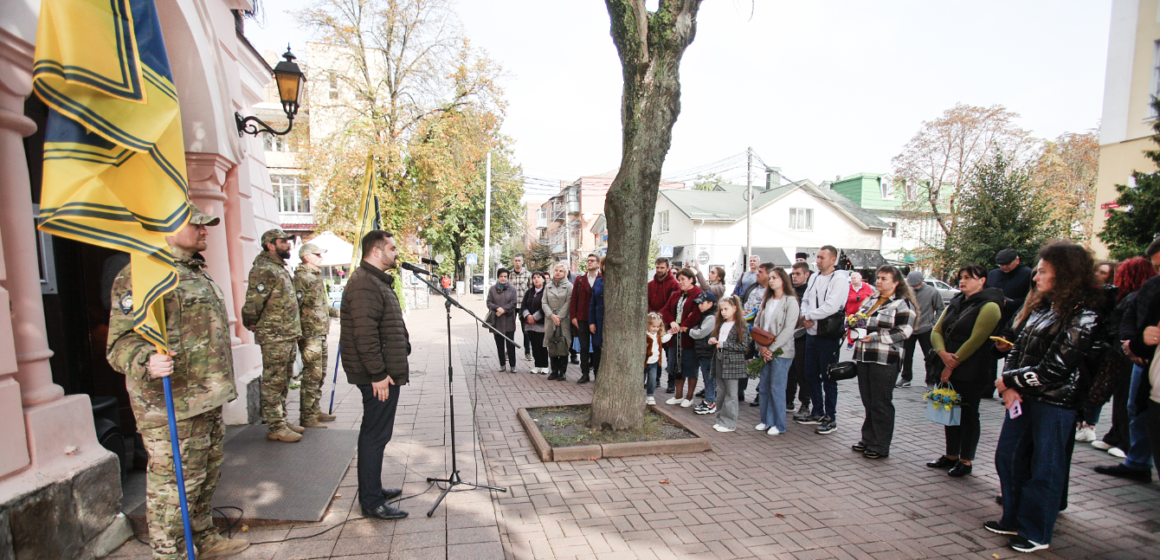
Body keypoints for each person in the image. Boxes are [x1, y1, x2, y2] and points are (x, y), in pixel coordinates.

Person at [107, 206, 249, 560]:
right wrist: (145, 360)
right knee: (172, 485)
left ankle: (201, 537)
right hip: (169, 403)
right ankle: (169, 552)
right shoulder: (142, 275)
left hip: (206, 395)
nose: (204, 231)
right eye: (196, 224)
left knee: (204, 475)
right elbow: (119, 344)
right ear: (166, 228)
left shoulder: (195, 272)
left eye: (205, 225)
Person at [986, 242, 1103, 553]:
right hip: (1022, 398)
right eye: (1036, 271)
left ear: (1064, 275)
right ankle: (1012, 517)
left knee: (1045, 468)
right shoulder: (1043, 308)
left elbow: (1056, 368)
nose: (1035, 277)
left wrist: (1008, 381)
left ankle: (1036, 531)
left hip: (1055, 403)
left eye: (1043, 272)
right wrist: (1008, 384)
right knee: (1007, 458)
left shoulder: (1083, 316)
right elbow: (1017, 348)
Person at [340, 230, 411, 521]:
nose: (397, 253)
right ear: (376, 252)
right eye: (392, 248)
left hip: (383, 373)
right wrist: (378, 374)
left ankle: (374, 488)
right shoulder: (364, 284)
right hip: (377, 377)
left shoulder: (375, 280)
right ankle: (370, 501)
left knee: (378, 435)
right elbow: (364, 336)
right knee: (374, 436)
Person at [926, 265, 1003, 477]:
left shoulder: (990, 306)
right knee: (947, 409)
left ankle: (965, 460)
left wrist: (950, 365)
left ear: (982, 281)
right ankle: (950, 455)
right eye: (961, 277)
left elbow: (976, 340)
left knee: (968, 414)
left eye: (969, 277)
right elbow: (937, 330)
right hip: (947, 361)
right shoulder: (957, 301)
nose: (963, 281)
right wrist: (942, 354)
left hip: (971, 368)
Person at [1093, 239, 1160, 481]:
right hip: (1146, 362)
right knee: (1136, 408)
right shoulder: (1152, 287)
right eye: (1157, 266)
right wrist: (1132, 343)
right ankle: (1137, 462)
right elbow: (1131, 319)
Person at [242, 228, 304, 443]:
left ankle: (282, 419)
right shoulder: (264, 270)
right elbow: (253, 302)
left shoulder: (278, 268)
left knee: (284, 378)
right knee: (273, 381)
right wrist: (252, 323)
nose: (288, 245)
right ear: (270, 245)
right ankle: (275, 425)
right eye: (283, 241)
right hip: (274, 335)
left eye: (288, 241)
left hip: (286, 333)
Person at [849, 266, 917, 459]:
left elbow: (904, 331)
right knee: (868, 400)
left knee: (881, 402)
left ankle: (880, 445)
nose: (879, 281)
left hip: (885, 358)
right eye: (878, 278)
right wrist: (852, 324)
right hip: (864, 355)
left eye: (884, 278)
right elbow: (858, 320)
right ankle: (868, 439)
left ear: (896, 283)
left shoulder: (903, 304)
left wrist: (876, 337)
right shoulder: (871, 299)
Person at [797, 245, 850, 435]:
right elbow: (805, 300)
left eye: (822, 257)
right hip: (812, 333)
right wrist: (805, 316)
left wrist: (810, 316)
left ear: (833, 259)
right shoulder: (814, 277)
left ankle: (831, 416)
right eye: (817, 257)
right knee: (810, 373)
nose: (818, 261)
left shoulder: (839, 279)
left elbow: (832, 306)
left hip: (828, 334)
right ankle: (816, 410)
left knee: (829, 376)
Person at [294, 242, 340, 428]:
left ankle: (314, 409)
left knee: (319, 374)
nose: (321, 257)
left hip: (320, 332)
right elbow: (296, 306)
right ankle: (307, 415)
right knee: (311, 375)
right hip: (309, 333)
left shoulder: (315, 277)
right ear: (306, 257)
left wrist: (339, 312)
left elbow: (321, 306)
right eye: (317, 254)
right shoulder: (301, 278)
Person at [1076, 260, 1119, 442]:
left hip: (1100, 346)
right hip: (1084, 343)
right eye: (1098, 272)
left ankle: (1089, 424)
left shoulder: (1112, 296)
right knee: (1079, 382)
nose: (1099, 276)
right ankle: (1079, 422)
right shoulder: (1085, 292)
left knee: (1095, 386)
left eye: (1104, 273)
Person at [754, 267, 800, 436]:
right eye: (770, 277)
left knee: (777, 387)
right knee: (764, 386)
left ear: (783, 280)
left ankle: (778, 424)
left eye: (774, 277)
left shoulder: (790, 301)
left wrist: (772, 349)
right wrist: (761, 346)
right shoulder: (767, 300)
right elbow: (758, 324)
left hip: (782, 351)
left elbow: (789, 329)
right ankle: (765, 420)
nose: (771, 280)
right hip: (764, 349)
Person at [663, 268, 704, 406]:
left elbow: (696, 314)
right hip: (675, 337)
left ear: (691, 279)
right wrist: (672, 322)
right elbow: (666, 310)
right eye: (678, 280)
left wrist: (683, 326)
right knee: (676, 366)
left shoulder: (698, 294)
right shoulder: (676, 295)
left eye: (683, 280)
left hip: (689, 338)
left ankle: (689, 396)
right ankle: (678, 395)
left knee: (690, 367)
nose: (680, 282)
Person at [709, 296, 749, 432]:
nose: (723, 312)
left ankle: (729, 423)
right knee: (720, 391)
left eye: (726, 309)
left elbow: (743, 345)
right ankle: (720, 419)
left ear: (735, 309)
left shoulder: (740, 326)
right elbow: (718, 339)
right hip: (720, 359)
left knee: (731, 393)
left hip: (732, 363)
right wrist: (713, 340)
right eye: (721, 310)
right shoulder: (721, 324)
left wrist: (724, 344)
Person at [900, 271, 944, 388]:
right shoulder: (906, 292)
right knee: (906, 355)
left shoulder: (933, 292)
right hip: (909, 328)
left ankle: (930, 380)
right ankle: (906, 377)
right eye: (911, 285)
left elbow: (940, 309)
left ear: (922, 281)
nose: (914, 287)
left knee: (929, 356)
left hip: (926, 328)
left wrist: (934, 323)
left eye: (916, 285)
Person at [739, 263, 774, 406]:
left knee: (761, 361)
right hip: (746, 329)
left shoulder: (771, 291)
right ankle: (740, 390)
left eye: (760, 272)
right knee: (744, 359)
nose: (757, 274)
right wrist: (741, 311)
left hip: (761, 331)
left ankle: (761, 393)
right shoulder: (752, 286)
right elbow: (741, 299)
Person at [648, 258, 680, 392]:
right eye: (657, 267)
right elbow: (646, 301)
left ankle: (671, 382)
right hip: (652, 323)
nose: (659, 270)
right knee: (655, 351)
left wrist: (660, 316)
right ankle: (655, 379)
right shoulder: (650, 284)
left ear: (668, 268)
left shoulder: (674, 284)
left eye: (662, 267)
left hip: (667, 323)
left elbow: (672, 304)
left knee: (669, 353)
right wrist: (651, 316)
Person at [570, 254, 602, 384]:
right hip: (582, 318)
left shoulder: (602, 278)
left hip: (597, 318)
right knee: (583, 347)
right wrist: (573, 316)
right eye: (588, 261)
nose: (589, 263)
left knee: (597, 347)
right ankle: (584, 373)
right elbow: (573, 299)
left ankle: (597, 373)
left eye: (592, 261)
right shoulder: (580, 279)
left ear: (598, 264)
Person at [787, 262, 813, 416]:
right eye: (793, 274)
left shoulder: (809, 292)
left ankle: (805, 403)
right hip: (788, 335)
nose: (794, 277)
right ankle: (788, 400)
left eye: (798, 274)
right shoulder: (790, 292)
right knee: (789, 370)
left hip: (803, 335)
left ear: (806, 275)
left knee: (802, 371)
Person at [542, 262, 574, 381]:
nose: (558, 272)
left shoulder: (569, 286)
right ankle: (554, 371)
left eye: (561, 271)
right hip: (550, 320)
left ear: (565, 273)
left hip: (563, 319)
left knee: (563, 344)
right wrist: (551, 316)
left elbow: (569, 302)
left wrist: (559, 317)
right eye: (556, 270)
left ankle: (562, 371)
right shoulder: (548, 286)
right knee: (552, 344)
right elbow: (544, 302)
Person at [690, 291, 718, 414]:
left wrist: (689, 331)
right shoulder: (705, 316)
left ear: (711, 303)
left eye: (702, 303)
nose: (700, 305)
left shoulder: (711, 317)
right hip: (704, 352)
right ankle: (709, 400)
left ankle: (710, 402)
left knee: (709, 378)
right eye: (699, 303)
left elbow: (700, 333)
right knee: (707, 378)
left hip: (708, 352)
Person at [988, 248, 1033, 325]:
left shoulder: (1028, 274)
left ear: (1017, 260)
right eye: (1001, 265)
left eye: (1008, 264)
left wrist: (1007, 303)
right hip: (992, 318)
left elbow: (1031, 300)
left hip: (1016, 319)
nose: (1004, 267)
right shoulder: (993, 274)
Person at [486, 268, 518, 372]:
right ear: (498, 277)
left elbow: (513, 303)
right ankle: (502, 364)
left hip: (509, 320)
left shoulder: (512, 289)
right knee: (499, 345)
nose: (503, 278)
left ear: (508, 278)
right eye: (501, 276)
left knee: (510, 344)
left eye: (505, 276)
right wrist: (497, 308)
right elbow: (489, 302)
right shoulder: (492, 289)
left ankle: (513, 365)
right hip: (497, 321)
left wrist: (503, 310)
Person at [521, 272, 550, 374]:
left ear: (543, 279)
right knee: (533, 345)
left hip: (541, 323)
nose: (536, 279)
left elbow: (545, 306)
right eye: (534, 278)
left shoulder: (547, 291)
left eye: (538, 277)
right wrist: (528, 316)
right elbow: (523, 305)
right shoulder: (529, 292)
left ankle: (545, 366)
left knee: (541, 345)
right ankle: (537, 365)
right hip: (530, 323)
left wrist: (535, 317)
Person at [644, 314, 673, 405]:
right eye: (653, 326)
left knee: (652, 380)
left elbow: (663, 339)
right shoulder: (646, 335)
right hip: (644, 362)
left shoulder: (657, 336)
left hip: (654, 362)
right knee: (641, 379)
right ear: (648, 325)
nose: (655, 329)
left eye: (657, 327)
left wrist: (670, 334)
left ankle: (650, 395)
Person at [510, 255, 533, 362]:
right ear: (513, 261)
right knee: (509, 330)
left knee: (526, 331)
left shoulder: (528, 274)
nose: (517, 262)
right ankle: (508, 351)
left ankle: (528, 352)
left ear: (523, 262)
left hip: (524, 307)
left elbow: (531, 290)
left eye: (519, 260)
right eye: (516, 260)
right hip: (512, 306)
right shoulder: (509, 275)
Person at [588, 259, 606, 381]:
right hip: (599, 320)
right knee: (597, 349)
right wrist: (592, 322)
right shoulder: (599, 282)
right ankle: (597, 375)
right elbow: (592, 303)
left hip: (612, 322)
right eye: (605, 265)